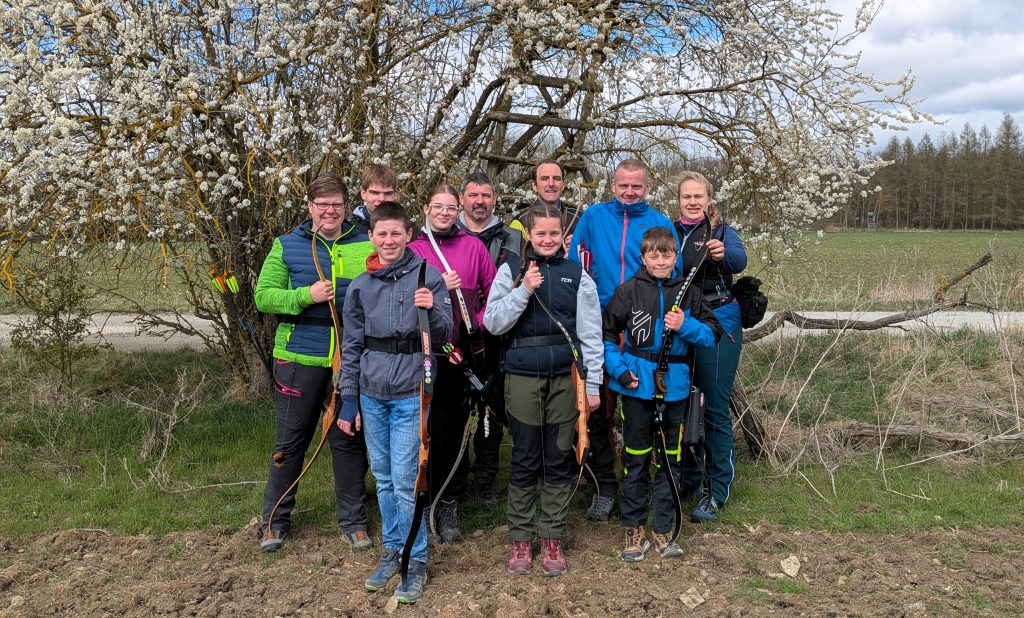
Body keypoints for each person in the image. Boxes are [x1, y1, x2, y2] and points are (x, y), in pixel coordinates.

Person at [337, 201, 453, 603]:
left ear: (408, 235)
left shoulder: (427, 276)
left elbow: (443, 333)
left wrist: (430, 309)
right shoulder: (359, 287)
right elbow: (351, 347)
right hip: (371, 393)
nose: (389, 240)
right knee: (383, 477)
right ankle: (391, 549)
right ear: (371, 236)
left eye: (396, 233)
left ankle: (414, 558)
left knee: (407, 481)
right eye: (381, 233)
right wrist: (347, 399)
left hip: (410, 392)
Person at [254, 174, 375, 553]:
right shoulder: (287, 246)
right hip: (297, 359)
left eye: (336, 203)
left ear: (345, 205)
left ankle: (353, 523)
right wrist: (306, 295)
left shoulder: (363, 243)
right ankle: (274, 521)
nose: (329, 210)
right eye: (321, 204)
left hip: (349, 360)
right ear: (309, 208)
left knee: (349, 441)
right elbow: (263, 297)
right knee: (290, 443)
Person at [483, 204, 603, 576]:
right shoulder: (511, 271)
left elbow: (591, 334)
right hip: (522, 376)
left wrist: (594, 384)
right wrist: (523, 290)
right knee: (525, 457)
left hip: (566, 379)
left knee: (558, 458)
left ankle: (552, 537)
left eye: (554, 234)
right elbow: (493, 322)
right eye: (541, 234)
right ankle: (521, 539)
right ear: (529, 236)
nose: (547, 240)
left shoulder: (577, 275)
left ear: (563, 235)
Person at [566, 158, 679, 522]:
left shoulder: (660, 223)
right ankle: (603, 486)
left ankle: (640, 482)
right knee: (597, 407)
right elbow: (574, 264)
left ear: (647, 187)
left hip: (640, 326)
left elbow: (669, 274)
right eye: (623, 186)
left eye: (637, 186)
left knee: (638, 407)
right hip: (597, 322)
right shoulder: (593, 217)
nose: (630, 192)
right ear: (612, 185)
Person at [602, 227, 722, 562]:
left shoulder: (689, 294)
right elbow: (607, 336)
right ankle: (634, 528)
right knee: (636, 459)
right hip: (636, 386)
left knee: (670, 461)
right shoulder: (627, 291)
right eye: (653, 255)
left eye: (666, 255)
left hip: (676, 388)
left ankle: (664, 529)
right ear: (643, 257)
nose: (660, 261)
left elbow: (712, 334)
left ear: (675, 258)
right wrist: (620, 371)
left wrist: (685, 324)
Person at [408, 182, 497, 543]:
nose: (444, 213)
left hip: (461, 352)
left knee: (458, 428)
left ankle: (450, 505)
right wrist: (438, 284)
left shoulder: (473, 247)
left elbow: (492, 292)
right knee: (429, 430)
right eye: (437, 206)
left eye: (449, 207)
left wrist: (475, 319)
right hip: (424, 354)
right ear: (426, 208)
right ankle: (424, 500)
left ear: (457, 209)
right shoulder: (413, 249)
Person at [673, 171, 748, 522]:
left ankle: (717, 489)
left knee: (714, 407)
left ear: (709, 200)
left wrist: (719, 255)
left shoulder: (721, 232)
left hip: (718, 322)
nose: (692, 202)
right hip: (680, 324)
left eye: (698, 196)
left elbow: (738, 261)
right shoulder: (671, 231)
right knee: (686, 404)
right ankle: (688, 477)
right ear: (678, 201)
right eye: (686, 196)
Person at [455, 171, 520, 507]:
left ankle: (485, 480)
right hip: (455, 336)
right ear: (462, 199)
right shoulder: (447, 236)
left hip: (496, 336)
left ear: (496, 199)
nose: (479, 202)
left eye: (486, 196)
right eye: (473, 195)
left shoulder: (511, 238)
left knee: (492, 408)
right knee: (456, 410)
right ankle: (456, 480)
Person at [509, 159, 581, 245]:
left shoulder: (579, 218)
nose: (551, 184)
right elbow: (512, 258)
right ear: (535, 186)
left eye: (556, 178)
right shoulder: (521, 222)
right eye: (544, 179)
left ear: (563, 185)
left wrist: (578, 247)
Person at [347, 164, 399, 235]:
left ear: (395, 195)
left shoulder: (409, 230)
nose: (381, 199)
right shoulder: (349, 232)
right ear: (363, 194)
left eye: (387, 193)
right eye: (375, 193)